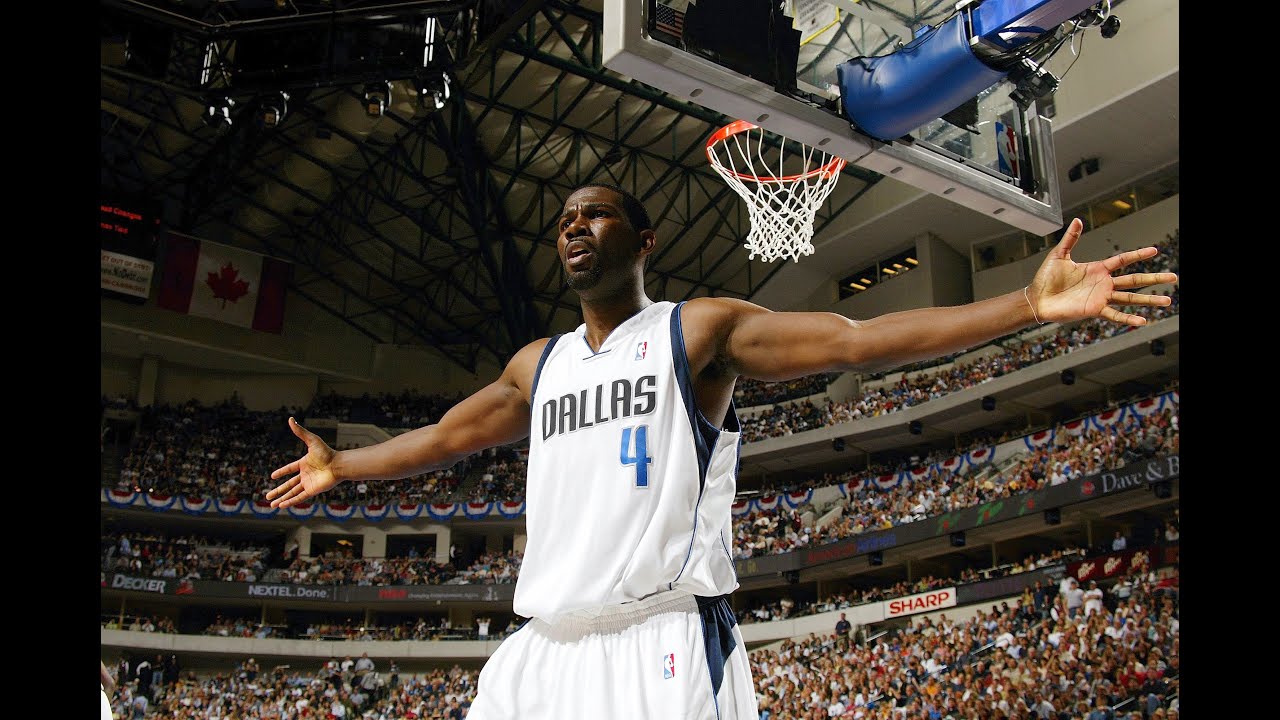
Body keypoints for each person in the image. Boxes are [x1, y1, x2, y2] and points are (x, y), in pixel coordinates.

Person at [266, 183, 1175, 720]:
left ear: (643, 242)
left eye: (596, 215)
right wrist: (344, 466)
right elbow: (442, 440)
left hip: (659, 637)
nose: (573, 226)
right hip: (542, 648)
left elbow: (859, 339)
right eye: (564, 221)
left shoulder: (696, 333)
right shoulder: (534, 366)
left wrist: (1021, 307)